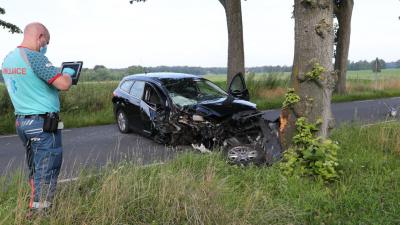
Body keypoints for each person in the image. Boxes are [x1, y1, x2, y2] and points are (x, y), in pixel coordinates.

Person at [1, 22, 75, 212]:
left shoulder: (8, 59)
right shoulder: (35, 57)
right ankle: (40, 212)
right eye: (46, 41)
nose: (45, 46)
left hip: (22, 122)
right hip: (42, 123)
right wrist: (67, 73)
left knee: (35, 166)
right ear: (40, 36)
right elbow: (63, 84)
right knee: (47, 168)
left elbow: (30, 83)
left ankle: (34, 201)